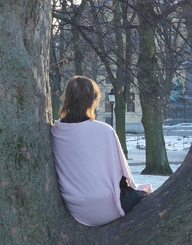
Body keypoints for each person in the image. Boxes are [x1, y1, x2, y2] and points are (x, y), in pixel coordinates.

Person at [51, 76, 152, 227]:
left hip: (77, 209)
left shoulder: (56, 131)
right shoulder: (104, 130)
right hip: (107, 206)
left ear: (67, 98)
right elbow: (121, 175)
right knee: (145, 191)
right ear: (93, 100)